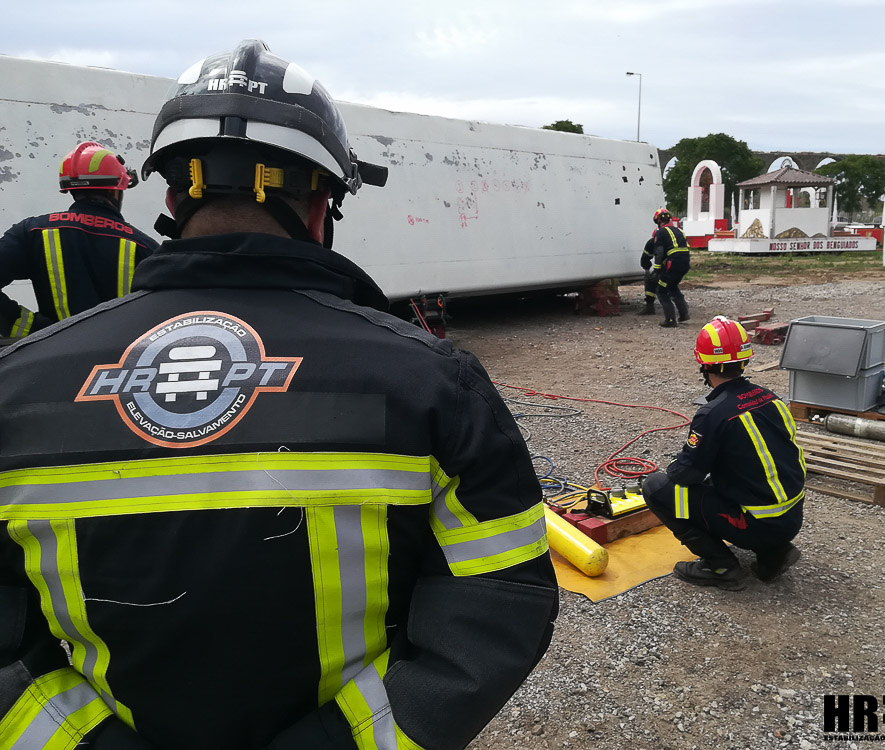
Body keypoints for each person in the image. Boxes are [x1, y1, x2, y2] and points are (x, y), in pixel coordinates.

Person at [0, 40, 557, 750]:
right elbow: (498, 603)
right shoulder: (427, 381)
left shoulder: (14, 387)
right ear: (322, 202)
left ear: (172, 197)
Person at [641, 316, 806, 590]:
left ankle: (720, 566)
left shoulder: (713, 414)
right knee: (724, 480)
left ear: (704, 364)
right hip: (790, 519)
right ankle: (774, 552)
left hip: (756, 524)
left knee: (657, 488)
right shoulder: (770, 398)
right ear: (744, 360)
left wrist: (674, 467)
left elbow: (686, 474)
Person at [0, 141, 158, 338]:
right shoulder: (145, 248)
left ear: (71, 189)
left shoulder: (33, 232)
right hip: (118, 362)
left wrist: (33, 330)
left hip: (50, 360)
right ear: (115, 189)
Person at [648, 207, 690, 328]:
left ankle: (670, 320)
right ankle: (684, 314)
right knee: (672, 287)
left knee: (661, 291)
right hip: (685, 263)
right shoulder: (680, 231)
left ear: (658, 220)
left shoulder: (660, 232)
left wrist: (656, 269)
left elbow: (659, 252)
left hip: (673, 263)